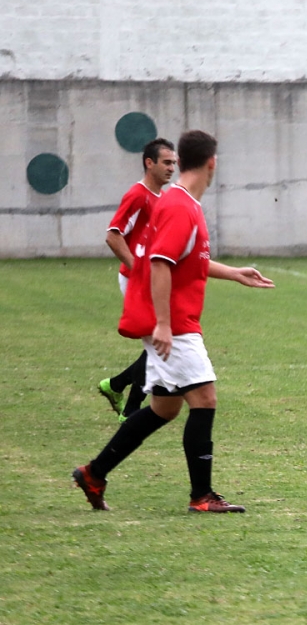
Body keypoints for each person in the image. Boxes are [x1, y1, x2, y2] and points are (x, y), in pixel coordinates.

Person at [72, 130, 275, 513]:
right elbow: (161, 263)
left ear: (180, 160)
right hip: (177, 325)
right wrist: (163, 324)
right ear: (211, 163)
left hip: (173, 321)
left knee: (165, 409)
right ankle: (202, 497)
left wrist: (234, 273)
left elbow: (185, 260)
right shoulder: (182, 207)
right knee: (205, 399)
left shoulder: (177, 202)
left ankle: (94, 473)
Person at [98, 138, 176, 422]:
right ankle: (130, 410)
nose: (172, 168)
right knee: (159, 344)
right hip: (136, 280)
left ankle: (116, 386)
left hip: (152, 280)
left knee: (160, 343)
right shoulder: (138, 195)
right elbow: (113, 234)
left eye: (174, 163)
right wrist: (139, 270)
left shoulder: (162, 198)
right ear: (149, 162)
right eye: (167, 163)